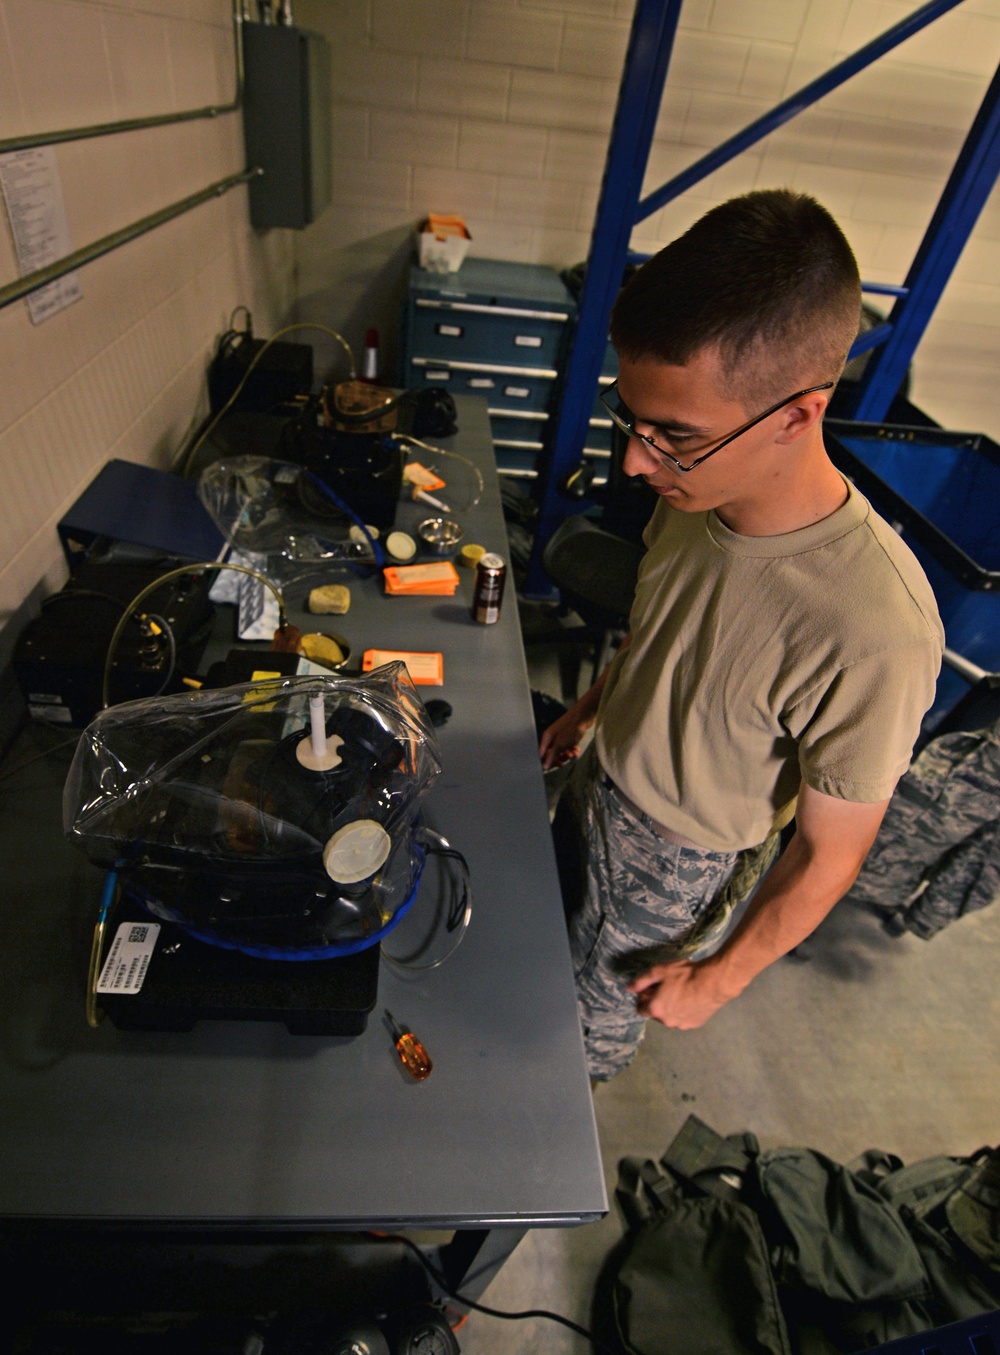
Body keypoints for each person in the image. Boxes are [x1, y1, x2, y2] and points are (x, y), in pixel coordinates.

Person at [539, 190, 944, 1082]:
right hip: (600, 773)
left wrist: (719, 980)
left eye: (674, 435)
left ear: (798, 413)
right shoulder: (696, 493)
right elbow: (664, 629)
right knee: (539, 958)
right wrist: (595, 706)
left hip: (678, 858)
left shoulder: (875, 626)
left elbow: (832, 852)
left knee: (583, 1031)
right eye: (632, 419)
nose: (639, 462)